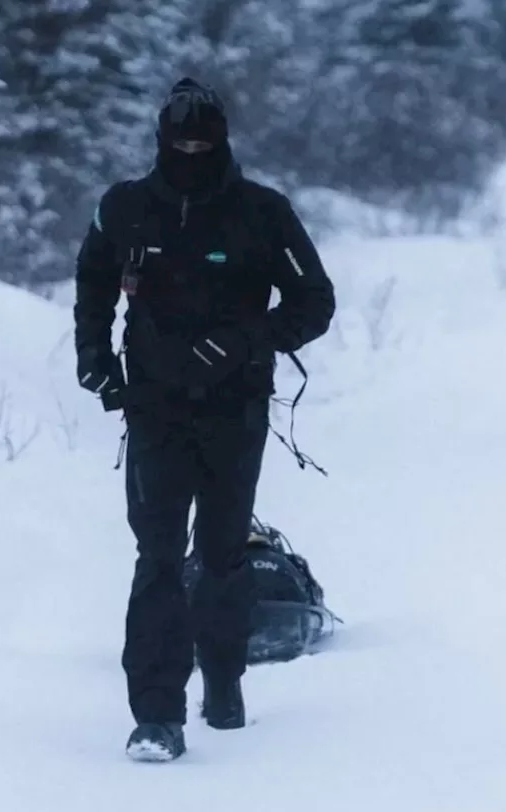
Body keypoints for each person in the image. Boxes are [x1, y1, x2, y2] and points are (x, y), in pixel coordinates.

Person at [73, 77, 336, 762]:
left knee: (221, 554)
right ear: (162, 140)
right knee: (157, 557)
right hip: (154, 407)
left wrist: (247, 339)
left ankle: (223, 683)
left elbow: (315, 300)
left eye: (203, 142)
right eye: (180, 142)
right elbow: (93, 278)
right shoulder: (126, 208)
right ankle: (157, 715)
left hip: (235, 408)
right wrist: (95, 356)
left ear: (222, 142)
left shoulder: (262, 212)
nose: (191, 152)